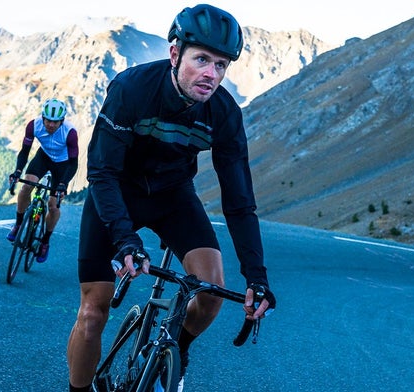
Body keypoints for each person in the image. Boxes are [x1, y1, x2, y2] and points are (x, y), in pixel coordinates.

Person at [66, 4, 276, 392]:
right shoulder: (131, 90)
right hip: (118, 192)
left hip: (174, 196)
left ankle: (173, 351)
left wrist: (256, 277)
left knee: (210, 293)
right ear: (175, 53)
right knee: (93, 313)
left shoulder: (224, 114)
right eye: (202, 60)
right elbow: (102, 172)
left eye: (221, 65)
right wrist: (125, 238)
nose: (211, 74)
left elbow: (239, 203)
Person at [7, 98, 79, 263]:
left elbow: (74, 163)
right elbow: (25, 151)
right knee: (25, 188)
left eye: (55, 122)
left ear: (62, 121)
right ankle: (18, 224)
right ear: (43, 118)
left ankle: (45, 241)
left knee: (53, 206)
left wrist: (63, 184)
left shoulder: (70, 133)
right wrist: (18, 171)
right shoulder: (34, 125)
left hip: (63, 164)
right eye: (48, 120)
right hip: (43, 157)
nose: (51, 125)